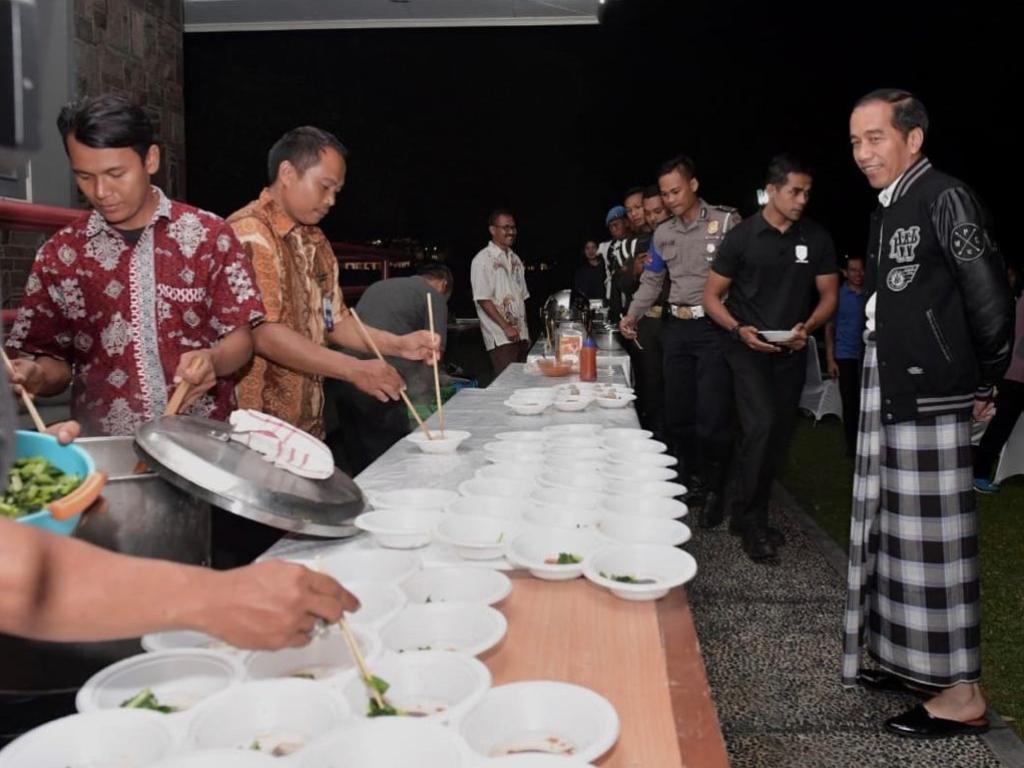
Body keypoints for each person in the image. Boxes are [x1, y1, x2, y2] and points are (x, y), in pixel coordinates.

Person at [843, 89, 1013, 738]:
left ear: (913, 139)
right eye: (855, 141)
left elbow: (989, 294)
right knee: (893, 534)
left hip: (934, 392)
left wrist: (987, 378)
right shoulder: (887, 211)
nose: (862, 153)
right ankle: (906, 658)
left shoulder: (944, 196)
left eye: (875, 137)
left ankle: (961, 694)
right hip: (892, 387)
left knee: (933, 550)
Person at [5, 95, 264, 435]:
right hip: (105, 443)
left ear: (151, 159)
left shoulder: (208, 235)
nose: (100, 191)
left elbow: (241, 339)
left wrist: (213, 360)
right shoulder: (61, 254)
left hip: (202, 441)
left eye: (115, 174)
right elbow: (55, 363)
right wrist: (36, 376)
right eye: (84, 176)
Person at [229, 127, 438, 439]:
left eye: (336, 191)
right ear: (287, 172)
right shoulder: (250, 233)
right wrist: (353, 369)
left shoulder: (315, 241)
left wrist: (399, 344)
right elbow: (262, 333)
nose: (331, 200)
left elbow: (333, 320)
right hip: (257, 429)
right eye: (325, 187)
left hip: (307, 425)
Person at [703, 154, 838, 561]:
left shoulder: (815, 238)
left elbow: (830, 296)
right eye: (795, 191)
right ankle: (751, 521)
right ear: (773, 190)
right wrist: (737, 329)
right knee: (760, 426)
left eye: (807, 193)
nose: (801, 200)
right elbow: (711, 296)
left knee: (776, 436)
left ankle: (746, 514)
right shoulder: (742, 237)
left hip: (792, 348)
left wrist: (807, 329)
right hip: (746, 347)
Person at [620, 156, 740, 527]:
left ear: (693, 185)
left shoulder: (725, 223)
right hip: (677, 329)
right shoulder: (662, 235)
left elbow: (746, 275)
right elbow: (652, 281)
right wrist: (632, 314)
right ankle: (692, 480)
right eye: (665, 193)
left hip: (713, 330)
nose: (670, 200)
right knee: (678, 412)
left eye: (675, 191)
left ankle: (718, 488)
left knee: (712, 416)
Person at [326, 264, 453, 473]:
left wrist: (400, 346)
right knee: (390, 459)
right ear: (444, 285)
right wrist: (429, 396)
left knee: (359, 457)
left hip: (344, 375)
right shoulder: (434, 296)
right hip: (380, 379)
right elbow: (434, 353)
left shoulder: (383, 284)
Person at [973, 265, 1024, 493]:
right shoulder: (1015, 302)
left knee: (1000, 427)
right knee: (1000, 427)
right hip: (1015, 375)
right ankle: (979, 473)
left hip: (1014, 373)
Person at [470, 208, 530, 377]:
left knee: (521, 384)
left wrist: (525, 333)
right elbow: (483, 299)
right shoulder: (482, 260)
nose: (511, 232)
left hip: (520, 336)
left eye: (513, 227)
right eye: (506, 227)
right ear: (492, 230)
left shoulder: (516, 259)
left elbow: (521, 298)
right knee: (507, 386)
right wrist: (506, 327)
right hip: (501, 337)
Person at [824, 255, 867, 455]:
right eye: (853, 270)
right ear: (845, 273)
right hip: (845, 356)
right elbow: (829, 327)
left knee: (867, 403)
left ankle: (869, 444)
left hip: (867, 356)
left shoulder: (870, 294)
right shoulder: (838, 296)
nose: (857, 274)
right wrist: (830, 359)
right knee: (850, 406)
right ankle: (853, 449)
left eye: (860, 270)